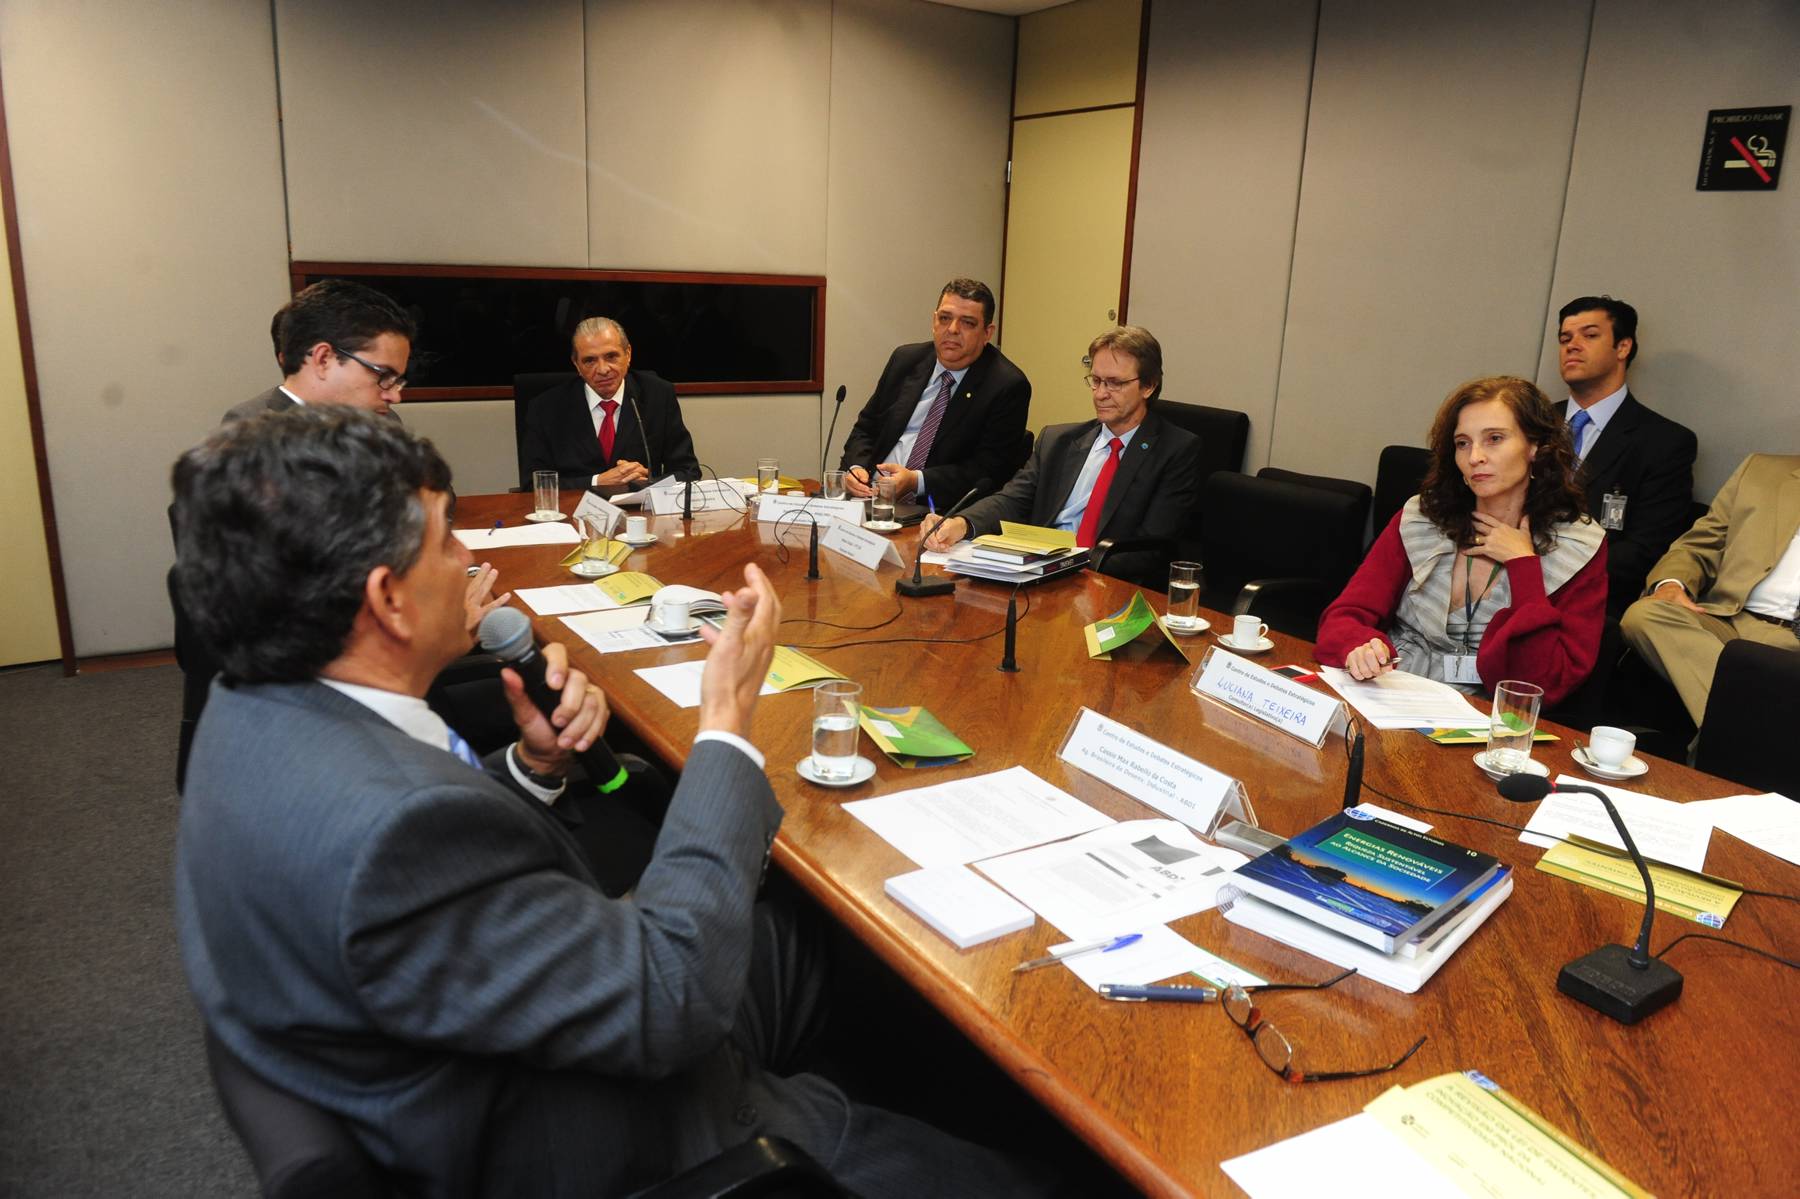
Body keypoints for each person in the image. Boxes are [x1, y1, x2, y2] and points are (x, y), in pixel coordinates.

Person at [171, 407, 1038, 1197]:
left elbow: (436, 892)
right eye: (444, 540)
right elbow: (674, 996)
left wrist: (530, 767)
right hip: (628, 1121)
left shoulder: (248, 712)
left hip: (518, 1004)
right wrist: (726, 724)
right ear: (386, 600)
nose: (468, 559)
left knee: (831, 923)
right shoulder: (395, 832)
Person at [1315, 376, 1607, 708]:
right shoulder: (1423, 516)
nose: (1475, 457)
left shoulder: (1579, 546)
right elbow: (1344, 617)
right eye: (1463, 443)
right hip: (1389, 693)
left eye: (1494, 439)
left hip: (1487, 715)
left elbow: (1543, 684)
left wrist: (1523, 565)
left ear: (1535, 447)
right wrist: (1360, 646)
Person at [922, 326, 1199, 585]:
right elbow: (1013, 500)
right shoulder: (1058, 441)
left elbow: (1152, 547)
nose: (1100, 394)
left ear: (1148, 386)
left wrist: (1070, 564)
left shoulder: (1176, 450)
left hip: (1104, 580)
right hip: (1037, 573)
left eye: (1114, 383)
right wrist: (961, 524)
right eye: (1096, 381)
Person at [1620, 452, 1800, 725]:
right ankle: (1755, 727)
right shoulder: (1760, 470)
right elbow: (1700, 544)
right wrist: (1672, 583)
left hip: (1793, 642)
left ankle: (1736, 733)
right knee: (1645, 615)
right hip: (1729, 620)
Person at [1555, 295, 1697, 619]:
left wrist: (1544, 569)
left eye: (1590, 335)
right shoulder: (1529, 424)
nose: (1572, 346)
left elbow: (1645, 550)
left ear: (1623, 347)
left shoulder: (1665, 442)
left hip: (1591, 602)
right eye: (1565, 338)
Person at [840, 278, 1031, 506]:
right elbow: (866, 428)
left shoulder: (1007, 385)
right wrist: (856, 468)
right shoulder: (905, 360)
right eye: (945, 318)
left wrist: (916, 481)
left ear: (987, 333)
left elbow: (988, 471)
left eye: (967, 323)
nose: (952, 330)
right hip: (868, 497)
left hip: (935, 510)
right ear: (934, 321)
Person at [519, 316, 700, 490]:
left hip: (640, 509)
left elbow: (689, 472)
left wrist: (651, 482)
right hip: (574, 508)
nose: (603, 369)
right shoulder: (546, 408)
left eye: (611, 356)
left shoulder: (658, 395)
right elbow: (532, 484)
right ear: (576, 364)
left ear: (628, 354)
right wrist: (597, 481)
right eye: (590, 360)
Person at [223, 279, 416, 421]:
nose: (395, 396)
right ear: (323, 359)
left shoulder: (386, 422)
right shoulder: (252, 429)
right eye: (382, 375)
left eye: (396, 381)